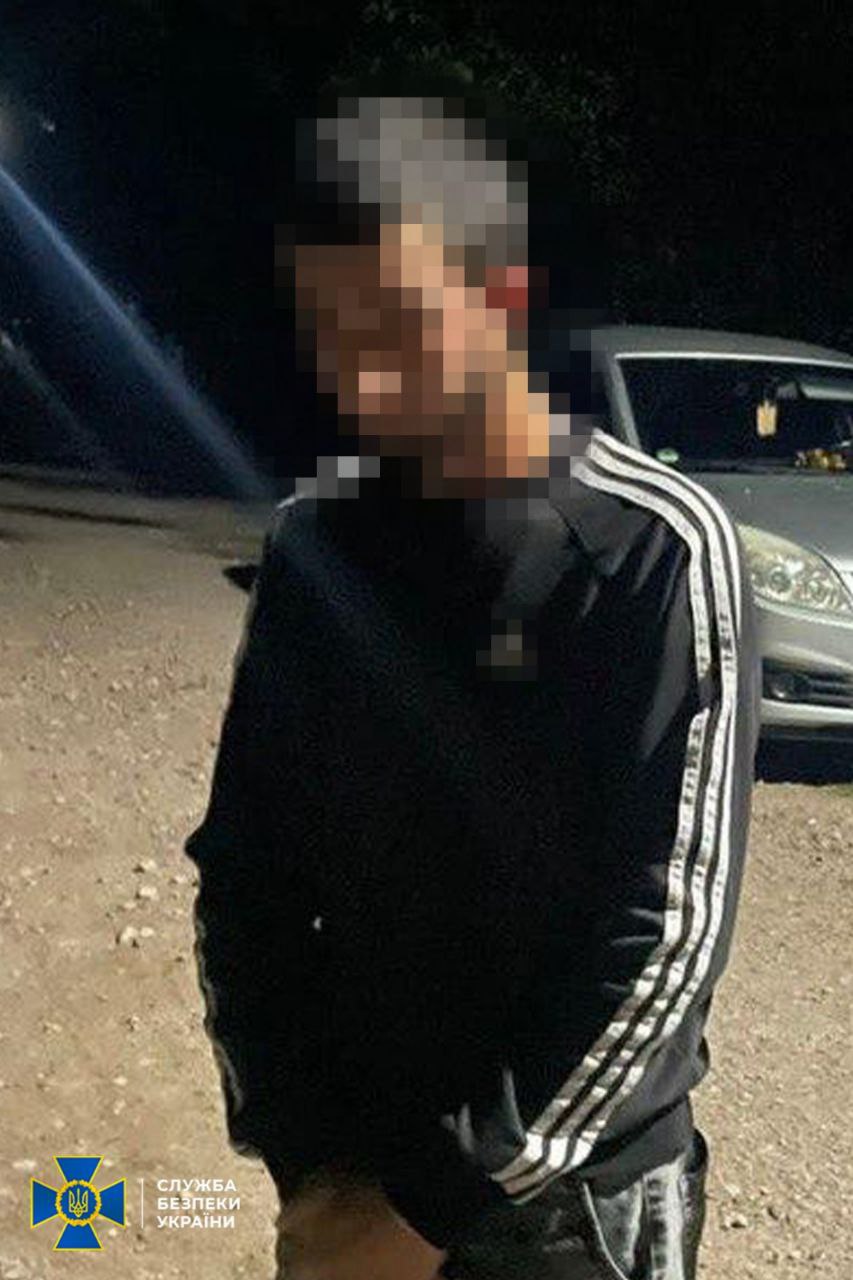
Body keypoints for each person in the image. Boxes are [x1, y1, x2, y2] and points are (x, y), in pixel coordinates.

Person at [185, 89, 761, 1280]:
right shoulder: (317, 540)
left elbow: (660, 934)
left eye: (395, 323)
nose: (360, 376)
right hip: (352, 1167)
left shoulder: (654, 548)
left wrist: (432, 1204)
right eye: (330, 329)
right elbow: (246, 867)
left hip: (570, 1208)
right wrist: (304, 1158)